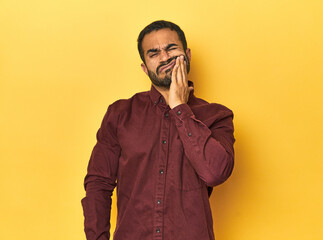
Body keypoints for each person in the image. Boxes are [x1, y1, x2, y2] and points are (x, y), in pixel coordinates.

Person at [81, 20, 235, 240]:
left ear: (188, 55)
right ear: (145, 67)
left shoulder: (217, 116)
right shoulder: (120, 114)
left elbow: (215, 172)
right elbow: (98, 184)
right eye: (154, 53)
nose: (165, 57)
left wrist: (179, 107)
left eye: (172, 48)